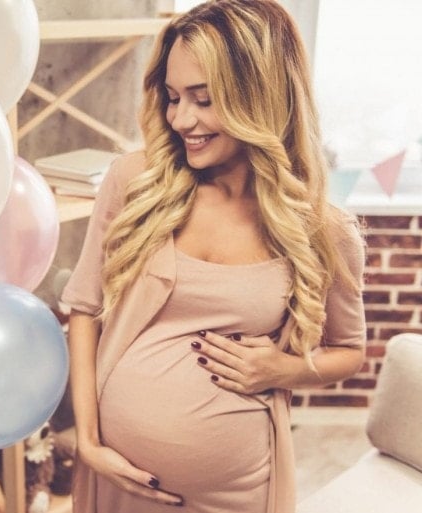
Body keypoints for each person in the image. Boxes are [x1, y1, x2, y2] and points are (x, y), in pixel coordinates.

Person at [60, 1, 366, 512]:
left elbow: (349, 350)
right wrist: (89, 443)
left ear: (260, 99)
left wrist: (282, 369)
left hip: (235, 493)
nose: (181, 119)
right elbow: (85, 308)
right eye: (173, 97)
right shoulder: (137, 182)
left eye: (204, 100)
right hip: (120, 477)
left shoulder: (322, 229)